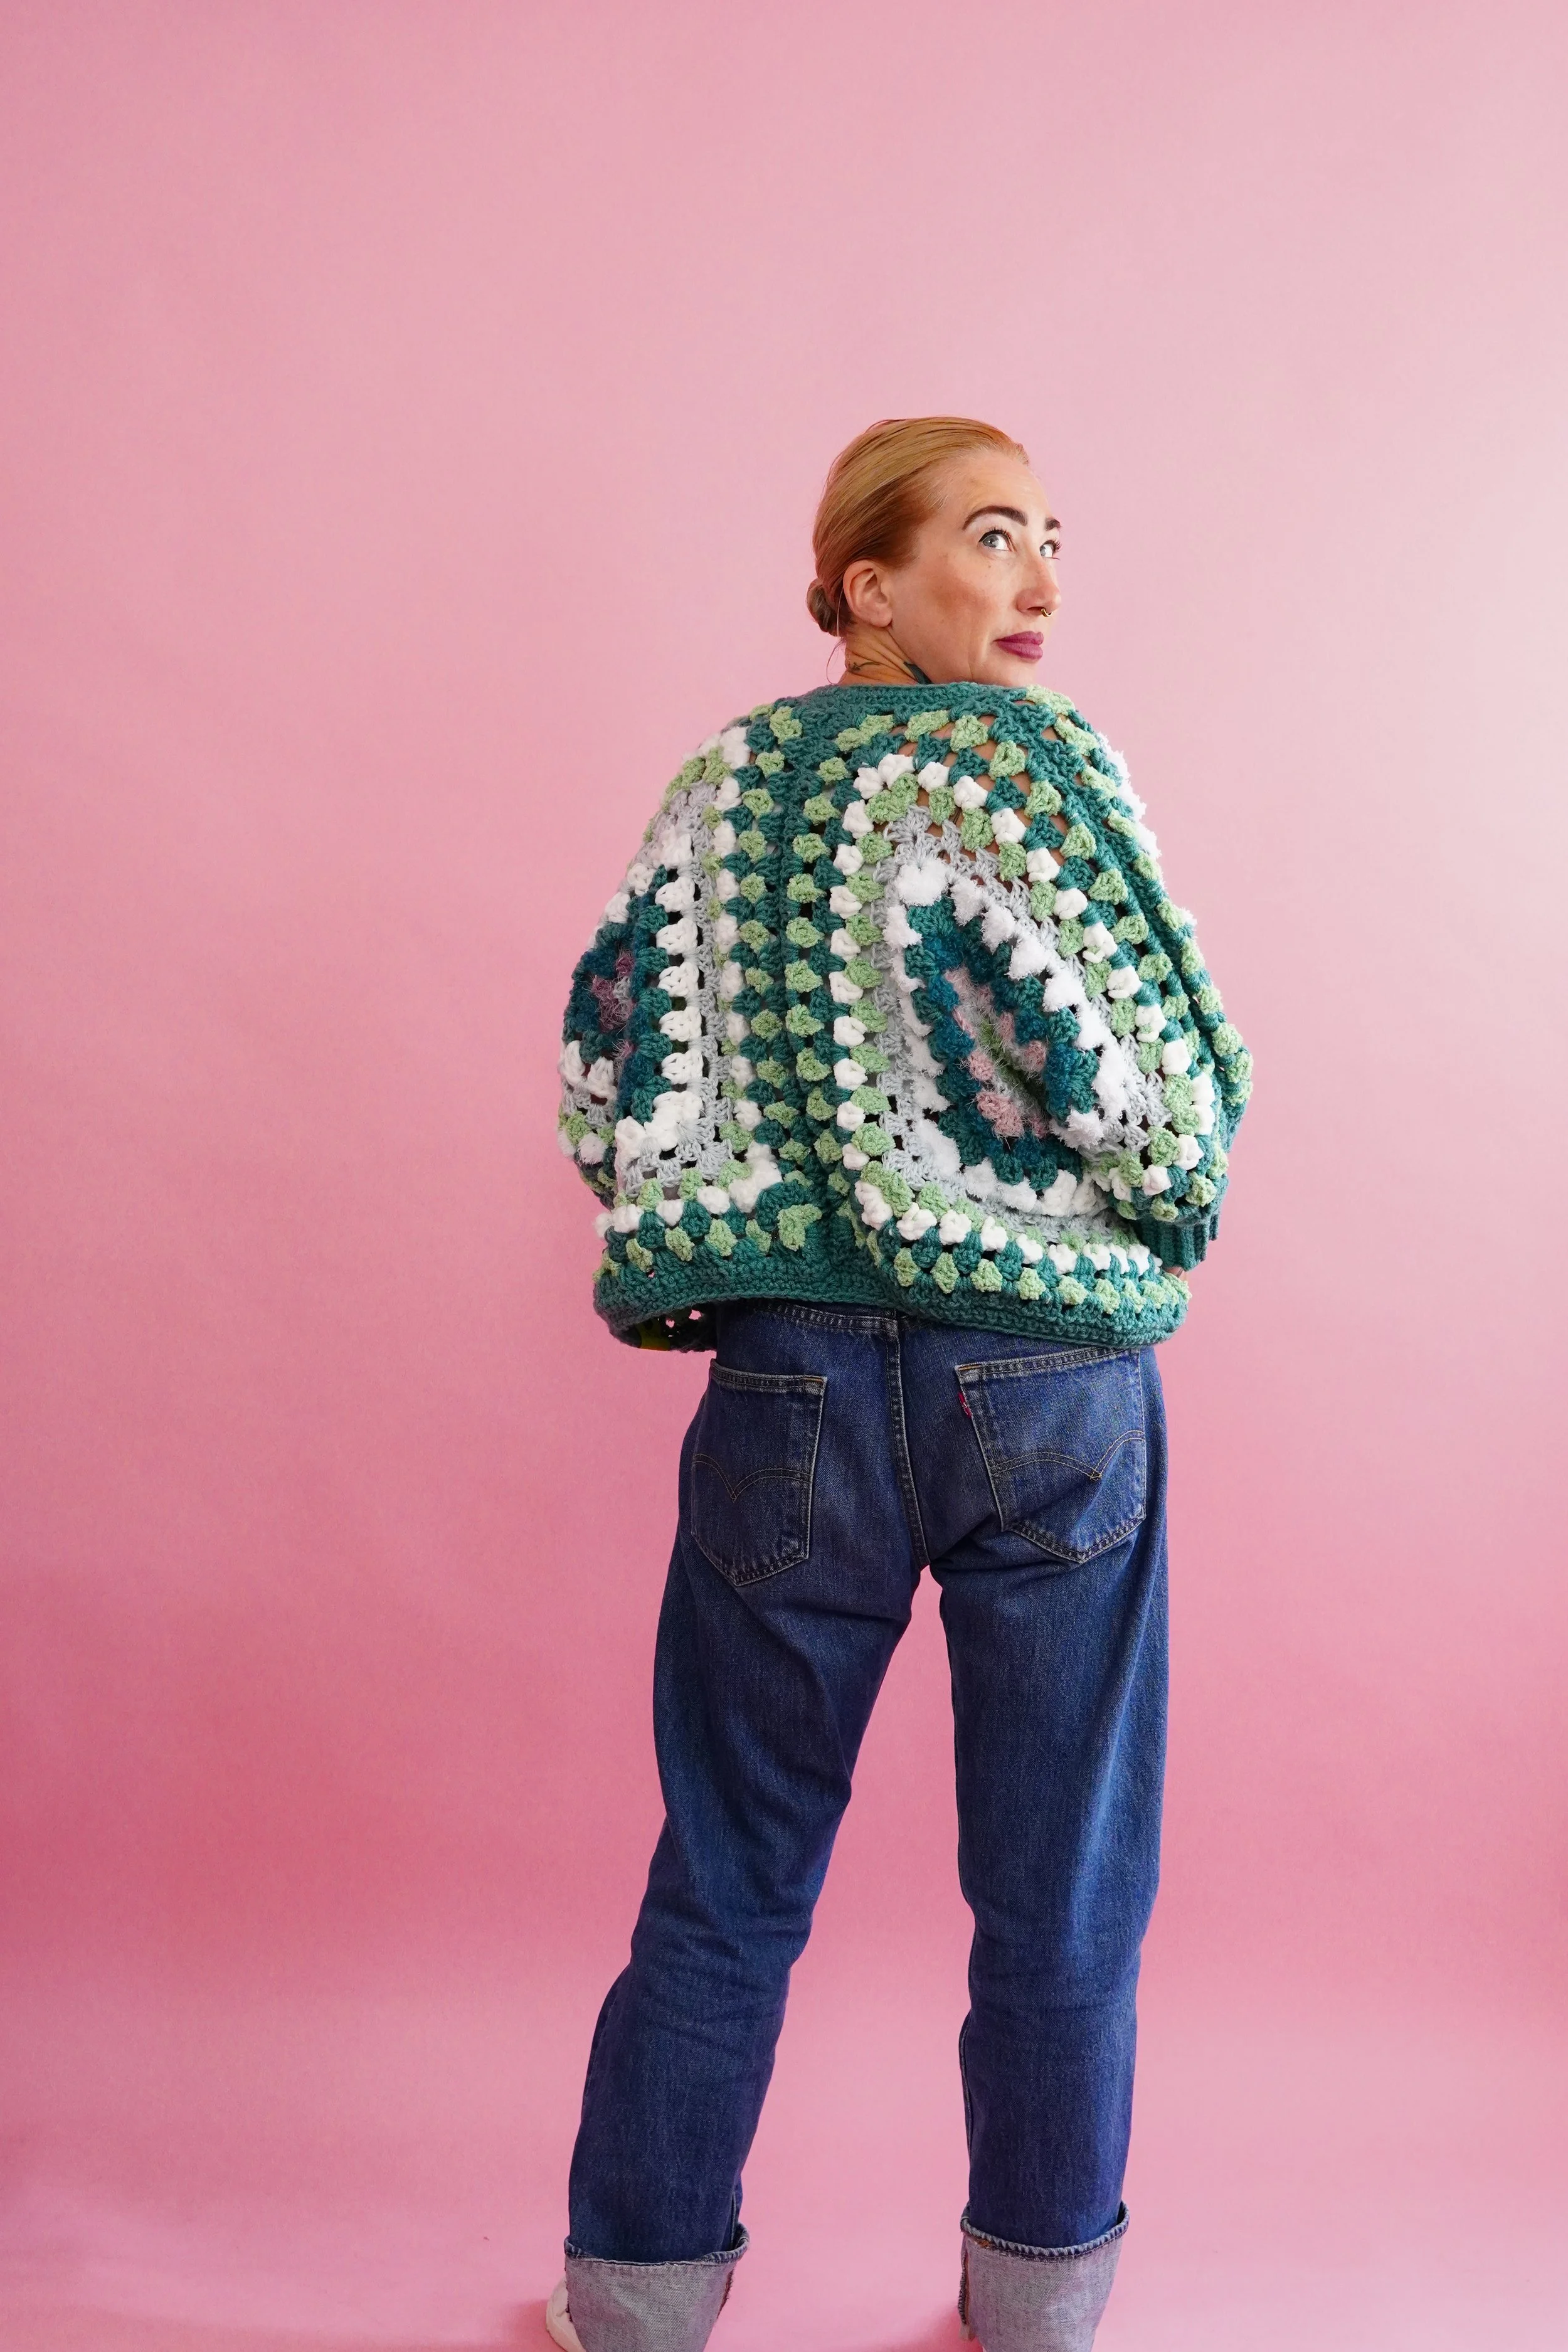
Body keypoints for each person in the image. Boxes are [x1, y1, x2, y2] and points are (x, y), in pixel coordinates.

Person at [548, 417, 1251, 2352]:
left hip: (785, 1389)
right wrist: (1155, 1216)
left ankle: (633, 2296)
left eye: (1048, 541)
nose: (1036, 581)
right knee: (1059, 1879)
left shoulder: (723, 787)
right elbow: (1164, 1076)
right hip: (1046, 1389)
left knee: (730, 1862)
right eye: (990, 537)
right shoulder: (1037, 775)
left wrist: (723, 1232)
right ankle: (1032, 2298)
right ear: (867, 580)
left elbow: (610, 1047)